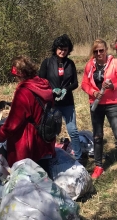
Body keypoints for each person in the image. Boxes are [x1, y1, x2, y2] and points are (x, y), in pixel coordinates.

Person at [81, 38, 117, 179]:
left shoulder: (115, 63)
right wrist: (93, 92)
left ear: (106, 50)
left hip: (112, 103)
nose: (99, 53)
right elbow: (84, 84)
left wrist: (112, 86)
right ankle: (98, 166)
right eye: (96, 51)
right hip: (96, 104)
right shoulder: (89, 66)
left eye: (101, 50)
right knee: (97, 137)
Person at [0, 55, 56, 177]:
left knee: (26, 180)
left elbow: (13, 122)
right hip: (45, 137)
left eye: (16, 76)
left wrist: (0, 136)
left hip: (29, 142)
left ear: (20, 74)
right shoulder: (44, 84)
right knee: (44, 176)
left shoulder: (24, 91)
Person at [39, 34, 84, 163]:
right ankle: (49, 156)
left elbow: (75, 83)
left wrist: (66, 89)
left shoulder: (70, 64)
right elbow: (40, 81)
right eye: (60, 48)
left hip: (67, 102)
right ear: (55, 48)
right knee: (49, 131)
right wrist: (51, 90)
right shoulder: (47, 62)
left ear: (69, 50)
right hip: (51, 103)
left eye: (65, 49)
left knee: (73, 131)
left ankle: (79, 158)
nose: (62, 51)